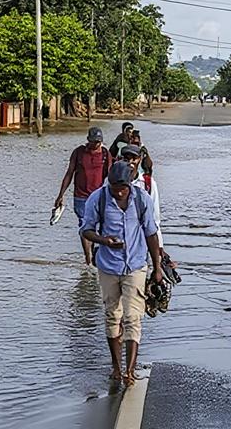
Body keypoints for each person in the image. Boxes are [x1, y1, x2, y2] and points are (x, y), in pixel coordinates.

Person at [80, 162, 163, 386]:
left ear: (129, 185)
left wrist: (157, 267)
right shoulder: (98, 199)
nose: (118, 193)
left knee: (132, 317)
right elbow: (86, 229)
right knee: (112, 315)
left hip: (135, 265)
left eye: (122, 189)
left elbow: (151, 233)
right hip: (108, 266)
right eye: (115, 188)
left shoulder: (141, 199)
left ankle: (130, 370)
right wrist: (104, 240)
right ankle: (116, 367)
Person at [54, 127, 111, 265]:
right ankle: (88, 259)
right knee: (84, 225)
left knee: (99, 227)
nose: (96, 145)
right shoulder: (78, 152)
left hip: (98, 196)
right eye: (93, 142)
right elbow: (69, 173)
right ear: (88, 140)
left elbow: (110, 175)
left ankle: (94, 255)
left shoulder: (105, 154)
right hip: (80, 196)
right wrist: (61, 195)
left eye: (98, 142)